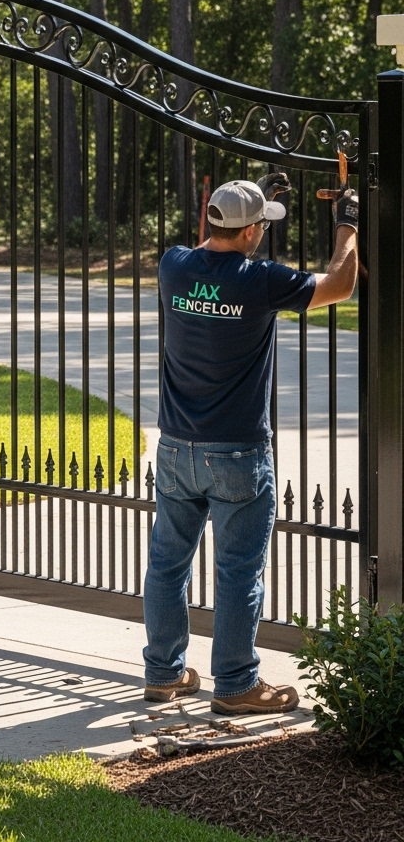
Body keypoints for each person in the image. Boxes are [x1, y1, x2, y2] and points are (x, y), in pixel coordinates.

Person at [143, 174, 359, 714]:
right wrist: (348, 224)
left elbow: (207, 246)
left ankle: (163, 674)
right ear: (252, 232)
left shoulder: (174, 266)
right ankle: (236, 685)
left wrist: (243, 205)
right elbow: (340, 285)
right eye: (261, 224)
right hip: (237, 454)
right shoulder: (260, 281)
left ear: (211, 220)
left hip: (175, 448)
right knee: (238, 570)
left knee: (167, 564)